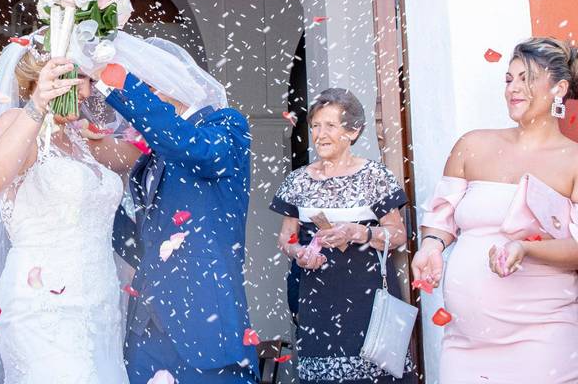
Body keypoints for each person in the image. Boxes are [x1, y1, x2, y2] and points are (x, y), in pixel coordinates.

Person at [0, 34, 142, 384]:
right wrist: (37, 106)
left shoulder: (81, 138)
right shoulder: (17, 122)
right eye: (81, 80)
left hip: (98, 305)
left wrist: (156, 98)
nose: (87, 93)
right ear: (50, 78)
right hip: (42, 306)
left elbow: (140, 155)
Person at [411, 37, 578, 383]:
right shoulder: (472, 146)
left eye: (526, 78)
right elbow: (441, 218)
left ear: (559, 88)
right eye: (509, 79)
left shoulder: (573, 161)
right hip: (465, 343)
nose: (513, 89)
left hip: (543, 336)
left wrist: (525, 248)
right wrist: (432, 246)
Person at [94, 35, 255, 384]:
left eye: (147, 84)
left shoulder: (226, 126)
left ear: (171, 83)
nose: (141, 95)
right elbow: (131, 236)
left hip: (206, 323)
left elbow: (194, 150)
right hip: (147, 331)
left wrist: (125, 86)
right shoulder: (151, 159)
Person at [271, 88, 417, 384]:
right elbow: (287, 238)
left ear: (353, 132)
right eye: (315, 125)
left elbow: (399, 234)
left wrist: (360, 232)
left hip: (368, 299)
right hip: (316, 300)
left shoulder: (375, 177)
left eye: (330, 126)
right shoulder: (298, 181)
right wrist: (299, 253)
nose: (320, 134)